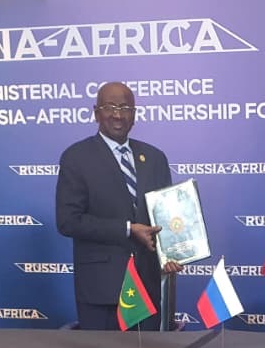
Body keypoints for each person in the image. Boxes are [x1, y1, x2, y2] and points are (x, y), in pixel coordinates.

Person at [56, 82, 181, 330]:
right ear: (96, 113)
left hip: (149, 287)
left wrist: (171, 252)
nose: (118, 114)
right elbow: (68, 221)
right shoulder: (76, 157)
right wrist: (127, 229)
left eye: (125, 108)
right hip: (102, 290)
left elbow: (166, 217)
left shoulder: (155, 158)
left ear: (134, 114)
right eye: (110, 107)